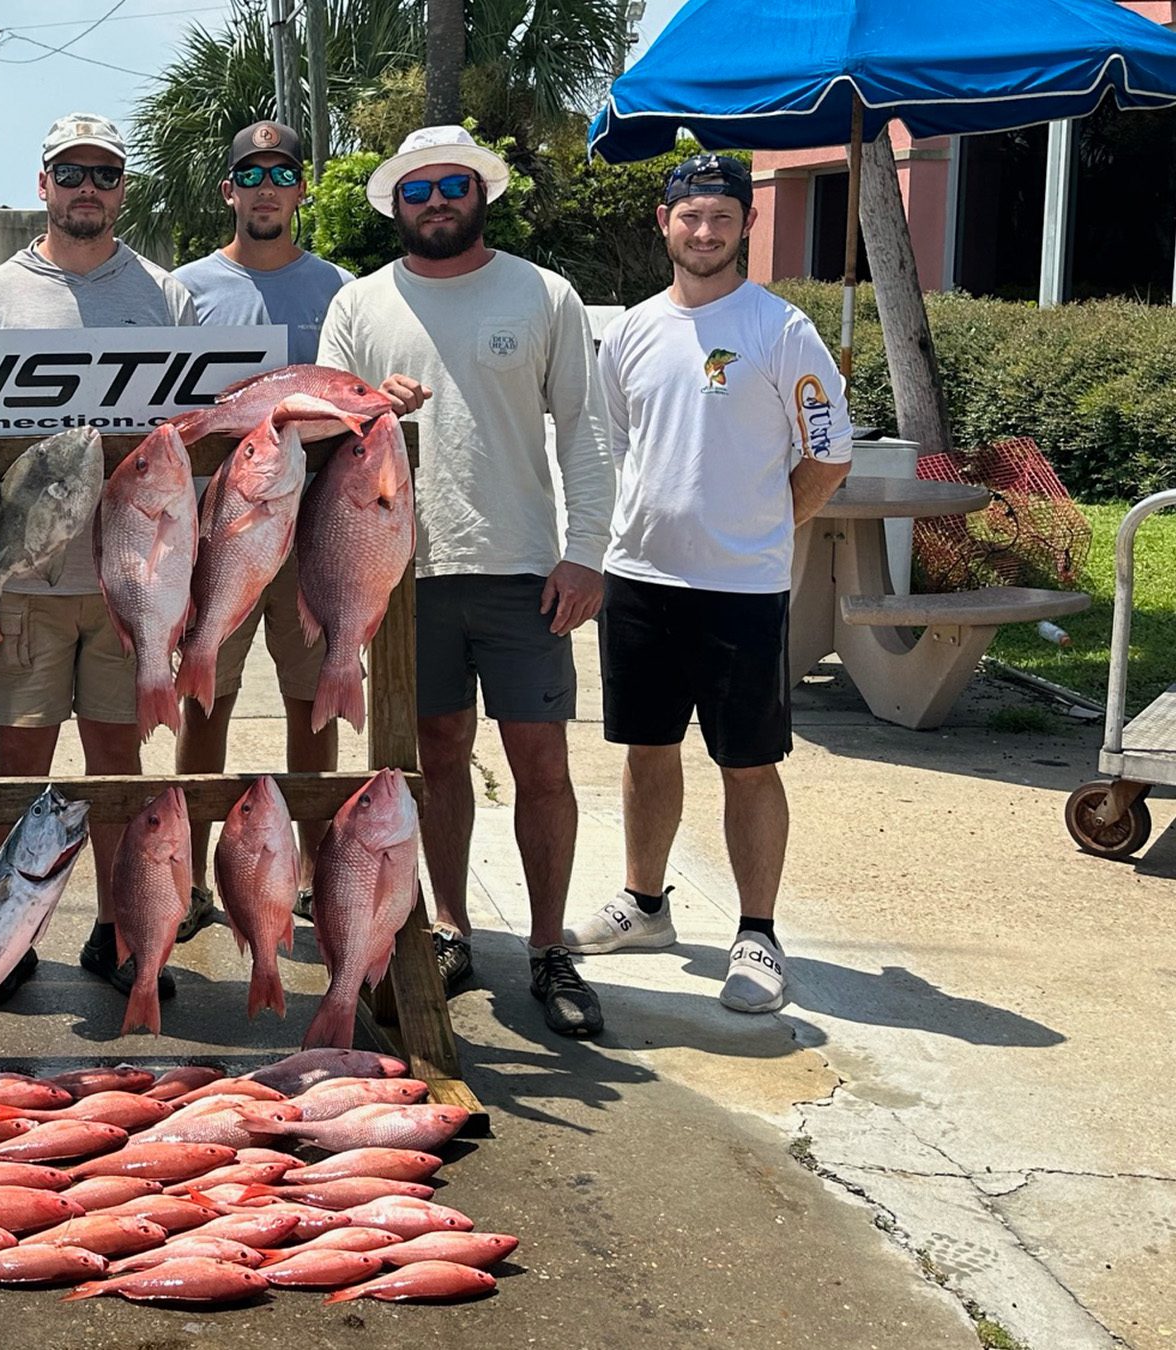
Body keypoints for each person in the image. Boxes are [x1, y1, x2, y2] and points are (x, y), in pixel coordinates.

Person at [318, 125, 616, 1038]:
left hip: (526, 566)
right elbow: (319, 437)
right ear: (396, 206)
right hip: (402, 578)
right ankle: (451, 927)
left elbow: (589, 430)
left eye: (453, 184)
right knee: (436, 757)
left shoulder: (544, 293)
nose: (437, 200)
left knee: (541, 762)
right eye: (418, 189)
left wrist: (588, 550)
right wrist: (371, 407)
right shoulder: (359, 305)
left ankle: (547, 945)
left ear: (481, 191)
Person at [573, 153, 851, 1016]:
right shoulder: (626, 332)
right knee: (645, 749)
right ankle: (645, 905)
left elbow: (828, 455)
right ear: (664, 221)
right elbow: (618, 445)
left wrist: (765, 529)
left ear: (746, 225)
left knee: (749, 764)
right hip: (640, 577)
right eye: (689, 215)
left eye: (721, 217)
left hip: (742, 591)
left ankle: (758, 934)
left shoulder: (782, 329)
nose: (704, 231)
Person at [0, 113, 202, 1000]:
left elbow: (189, 447)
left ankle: (118, 929)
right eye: (70, 172)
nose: (85, 187)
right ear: (44, 183)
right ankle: (7, 937)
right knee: (21, 761)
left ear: (122, 189)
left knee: (117, 763)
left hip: (129, 578)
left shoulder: (167, 297)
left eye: (103, 173)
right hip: (22, 583)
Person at [169, 119, 370, 923]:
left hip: (319, 524)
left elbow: (364, 394)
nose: (265, 188)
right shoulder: (183, 290)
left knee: (310, 695)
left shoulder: (342, 289)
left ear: (301, 188)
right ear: (229, 191)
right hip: (225, 523)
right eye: (249, 175)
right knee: (203, 694)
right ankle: (182, 878)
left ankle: (318, 872)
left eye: (281, 173)